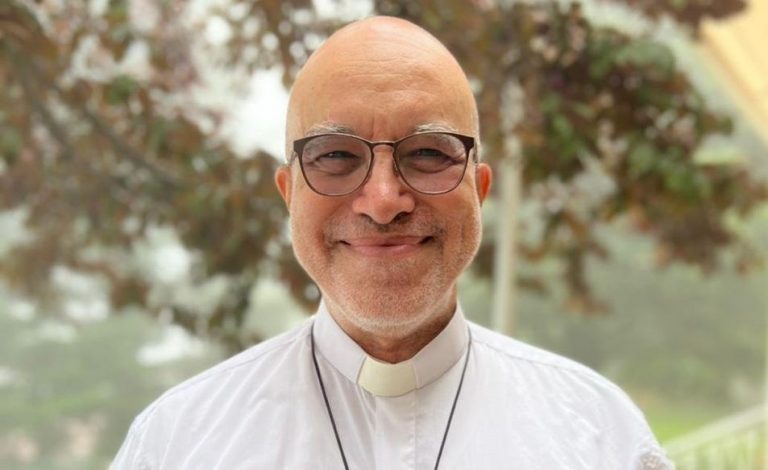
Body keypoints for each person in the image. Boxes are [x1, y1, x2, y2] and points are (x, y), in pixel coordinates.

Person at [112, 16, 673, 470]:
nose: (383, 200)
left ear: (479, 190)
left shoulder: (597, 437)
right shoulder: (179, 445)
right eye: (336, 156)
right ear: (290, 194)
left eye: (428, 153)